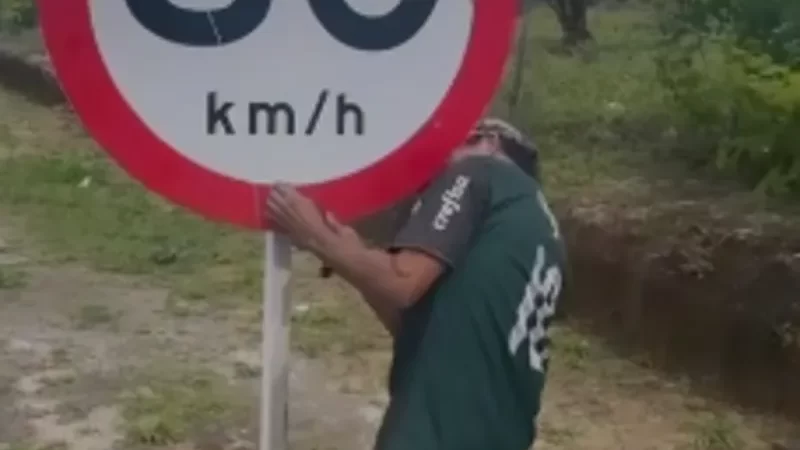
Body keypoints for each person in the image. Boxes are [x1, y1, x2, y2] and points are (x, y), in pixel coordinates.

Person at [266, 117, 567, 450]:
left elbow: (402, 282)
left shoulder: (480, 170)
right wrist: (347, 256)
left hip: (440, 429)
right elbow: (415, 326)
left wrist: (315, 234)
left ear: (489, 141)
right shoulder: (536, 226)